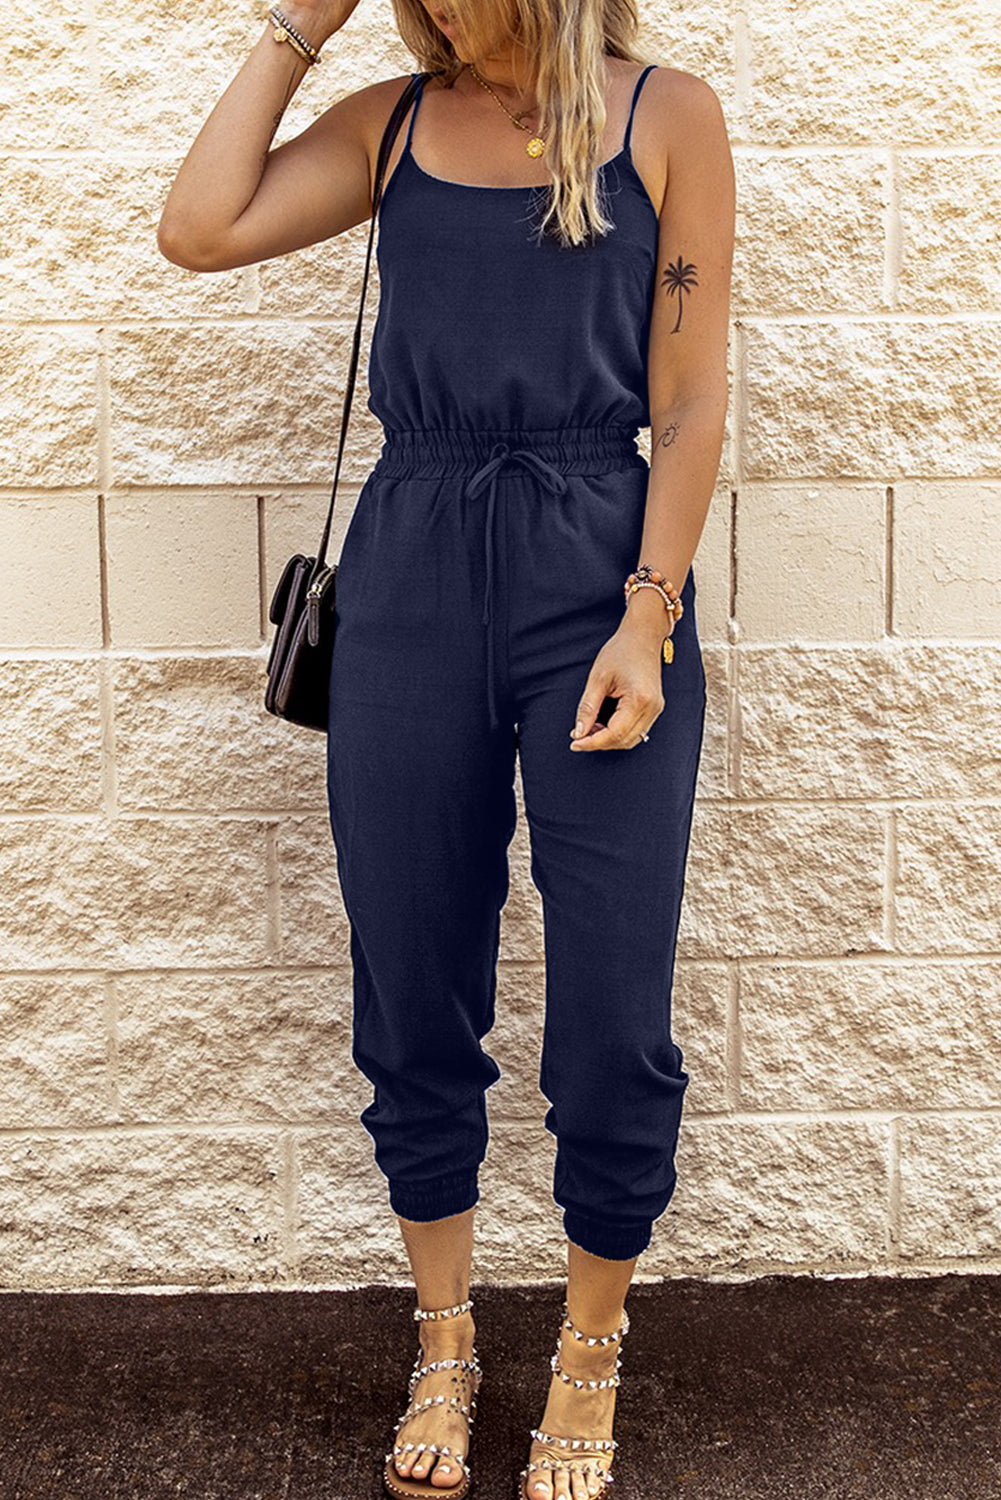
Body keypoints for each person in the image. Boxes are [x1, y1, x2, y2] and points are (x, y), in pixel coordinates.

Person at [158, 0, 734, 1494]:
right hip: (410, 569)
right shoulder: (393, 123)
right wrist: (300, 24)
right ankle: (445, 1335)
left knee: (611, 1002)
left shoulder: (664, 114)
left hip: (599, 576)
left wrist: (648, 613)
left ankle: (590, 1348)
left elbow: (687, 401)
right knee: (411, 983)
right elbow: (199, 229)